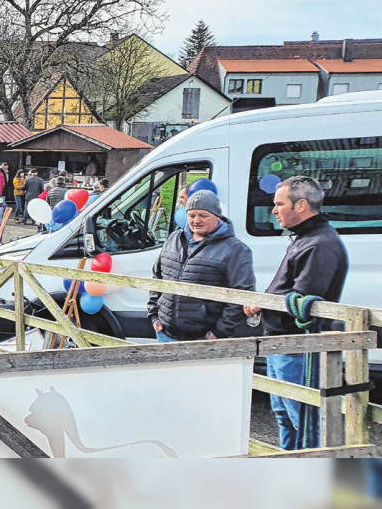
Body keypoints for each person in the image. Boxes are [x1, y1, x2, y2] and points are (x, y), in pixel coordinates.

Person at [245, 176, 349, 451]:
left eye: (279, 204)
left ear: (301, 205)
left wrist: (264, 303)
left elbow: (302, 301)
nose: (274, 210)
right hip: (282, 343)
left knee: (303, 419)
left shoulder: (319, 244)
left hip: (298, 347)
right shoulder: (305, 239)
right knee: (285, 417)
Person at [148, 190, 255, 343]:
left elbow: (241, 296)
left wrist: (218, 332)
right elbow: (156, 278)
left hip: (204, 339)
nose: (196, 220)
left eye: (203, 215)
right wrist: (154, 315)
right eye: (192, 215)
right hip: (165, 334)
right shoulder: (173, 239)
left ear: (217, 216)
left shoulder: (236, 250)